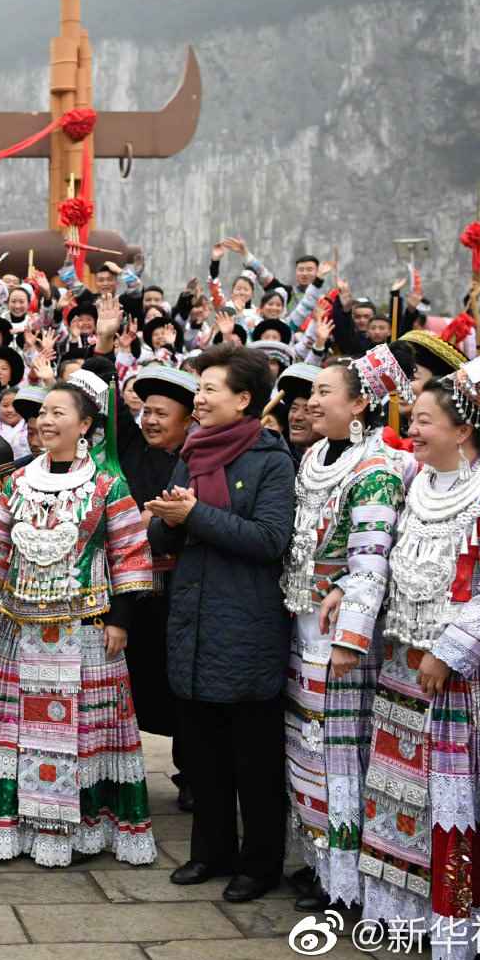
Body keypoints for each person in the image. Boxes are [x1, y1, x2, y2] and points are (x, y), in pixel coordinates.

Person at [360, 355, 480, 960]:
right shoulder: (417, 483)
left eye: (422, 420)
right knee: (406, 796)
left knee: (462, 800)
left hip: (466, 678)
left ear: (462, 430)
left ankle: (472, 926)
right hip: (404, 670)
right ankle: (409, 915)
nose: (411, 430)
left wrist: (448, 653)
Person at [0, 381, 157, 867]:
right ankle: (16, 826)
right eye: (42, 412)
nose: (45, 421)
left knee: (82, 730)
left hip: (85, 627)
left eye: (58, 412)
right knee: (16, 728)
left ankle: (81, 832)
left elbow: (129, 553)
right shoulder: (19, 481)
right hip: (21, 626)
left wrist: (120, 620)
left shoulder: (107, 484)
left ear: (85, 424)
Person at [148, 342, 296, 904]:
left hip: (246, 625)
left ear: (244, 399)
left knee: (253, 759)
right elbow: (167, 535)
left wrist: (195, 515)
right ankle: (209, 852)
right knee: (202, 751)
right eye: (200, 388)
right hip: (193, 619)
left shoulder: (271, 459)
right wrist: (167, 521)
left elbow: (269, 539)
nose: (200, 399)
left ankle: (259, 863)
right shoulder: (193, 451)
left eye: (210, 389)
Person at [280, 348, 410, 912]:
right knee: (304, 747)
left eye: (324, 391)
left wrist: (351, 638)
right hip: (302, 620)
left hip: (339, 636)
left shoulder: (376, 469)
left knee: (338, 749)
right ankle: (318, 861)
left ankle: (346, 880)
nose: (311, 401)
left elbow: (370, 561)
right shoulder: (316, 456)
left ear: (359, 405)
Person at [118, 365, 198, 810]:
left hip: (180, 590)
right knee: (129, 681)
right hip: (133, 592)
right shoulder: (133, 451)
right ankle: (120, 775)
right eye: (146, 411)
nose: (150, 421)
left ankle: (191, 774)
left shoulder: (199, 461)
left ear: (188, 420)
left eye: (161, 414)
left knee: (183, 685)